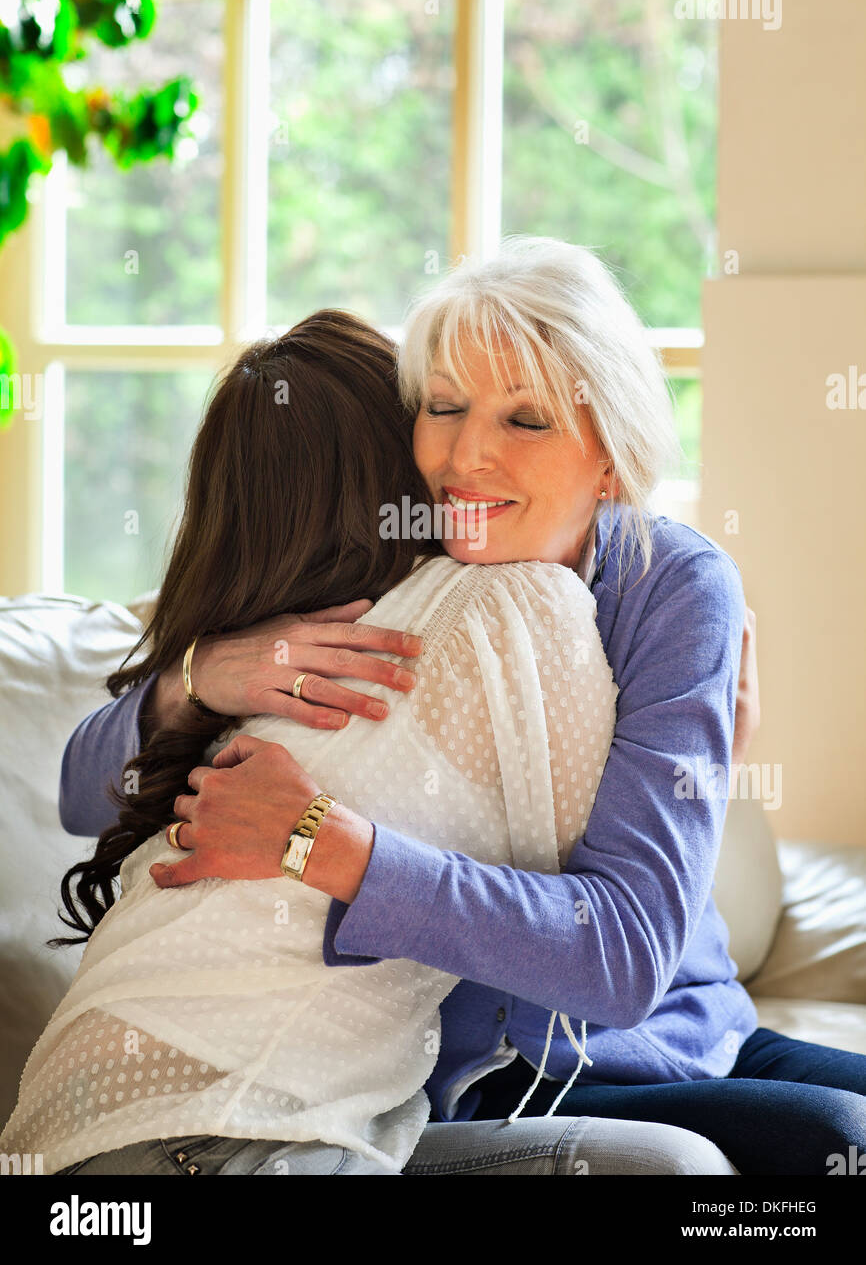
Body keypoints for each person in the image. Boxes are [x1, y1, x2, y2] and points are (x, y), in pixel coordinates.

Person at [59, 238, 847, 1177]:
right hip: (503, 1077)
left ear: (613, 459)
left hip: (684, 1032)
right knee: (838, 1146)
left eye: (527, 420)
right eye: (442, 408)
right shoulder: (395, 576)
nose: (466, 457)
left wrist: (325, 843)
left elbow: (628, 955)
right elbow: (79, 792)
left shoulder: (669, 585)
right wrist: (199, 678)